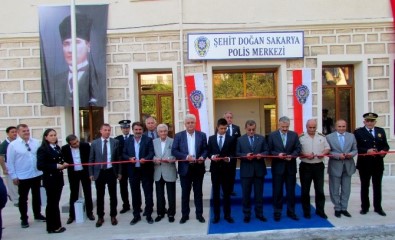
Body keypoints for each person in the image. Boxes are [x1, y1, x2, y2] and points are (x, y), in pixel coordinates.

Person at [51, 13, 105, 107]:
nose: (71, 50)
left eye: (77, 42)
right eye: (66, 44)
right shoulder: (56, 81)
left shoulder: (98, 78)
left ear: (88, 46)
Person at [6, 124, 46, 228]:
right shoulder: (13, 145)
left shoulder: (36, 142)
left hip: (36, 174)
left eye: (27, 130)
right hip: (23, 176)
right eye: (24, 131)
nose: (26, 132)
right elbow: (10, 162)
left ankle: (37, 214)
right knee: (23, 198)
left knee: (37, 196)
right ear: (18, 133)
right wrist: (14, 176)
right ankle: (24, 218)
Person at [172, 114, 208, 224]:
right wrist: (186, 157)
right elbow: (174, 151)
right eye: (188, 123)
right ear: (185, 124)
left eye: (192, 122)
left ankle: (199, 214)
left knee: (198, 193)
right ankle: (185, 215)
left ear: (195, 123)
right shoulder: (178, 136)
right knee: (185, 193)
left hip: (198, 168)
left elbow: (205, 149)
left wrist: (202, 156)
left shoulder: (202, 135)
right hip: (185, 169)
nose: (190, 124)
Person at [354, 112, 389, 216]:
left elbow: (386, 146)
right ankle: (364, 207)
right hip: (364, 164)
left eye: (372, 121)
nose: (370, 123)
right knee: (365, 186)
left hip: (378, 163)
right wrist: (366, 150)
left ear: (375, 122)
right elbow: (356, 147)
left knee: (377, 186)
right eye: (368, 121)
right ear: (364, 121)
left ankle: (378, 207)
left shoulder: (380, 131)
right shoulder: (358, 132)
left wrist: (384, 151)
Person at [268, 116, 301, 222]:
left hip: (290, 168)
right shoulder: (272, 135)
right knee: (277, 191)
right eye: (283, 127)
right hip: (278, 168)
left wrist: (292, 155)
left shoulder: (294, 135)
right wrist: (278, 154)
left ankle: (291, 212)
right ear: (279, 125)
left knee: (291, 191)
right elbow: (268, 150)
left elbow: (298, 148)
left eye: (287, 126)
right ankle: (277, 212)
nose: (285, 129)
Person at [236, 119, 269, 223]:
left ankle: (259, 214)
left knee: (259, 194)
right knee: (246, 194)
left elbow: (267, 151)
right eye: (249, 129)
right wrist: (245, 156)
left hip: (259, 170)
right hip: (246, 171)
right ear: (245, 128)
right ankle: (247, 214)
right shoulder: (240, 140)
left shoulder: (261, 138)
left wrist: (262, 155)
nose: (251, 131)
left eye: (253, 129)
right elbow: (237, 153)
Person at [89, 124, 121, 227]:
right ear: (101, 131)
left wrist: (119, 172)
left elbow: (118, 159)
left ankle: (113, 215)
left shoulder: (115, 142)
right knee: (100, 195)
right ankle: (100, 217)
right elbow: (91, 159)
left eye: (109, 130)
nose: (107, 132)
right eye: (105, 130)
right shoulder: (94, 143)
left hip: (111, 171)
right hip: (99, 172)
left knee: (113, 195)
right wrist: (91, 173)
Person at [37, 129, 68, 234]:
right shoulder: (43, 149)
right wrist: (56, 166)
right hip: (50, 179)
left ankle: (57, 225)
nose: (53, 137)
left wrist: (63, 164)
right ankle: (52, 227)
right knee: (52, 204)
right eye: (51, 135)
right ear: (46, 137)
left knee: (55, 203)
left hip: (58, 179)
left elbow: (60, 160)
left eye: (55, 135)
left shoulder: (57, 147)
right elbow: (40, 165)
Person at [123, 122, 155, 225]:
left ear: (142, 130)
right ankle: (136, 215)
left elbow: (151, 153)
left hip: (146, 170)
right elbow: (123, 153)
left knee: (148, 194)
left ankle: (149, 215)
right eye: (136, 129)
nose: (138, 131)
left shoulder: (148, 140)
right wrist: (129, 158)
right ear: (133, 130)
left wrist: (145, 159)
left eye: (140, 129)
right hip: (133, 171)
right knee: (135, 194)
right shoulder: (127, 141)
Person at [299, 119, 330, 219]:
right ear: (306, 127)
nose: (312, 129)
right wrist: (305, 155)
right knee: (305, 190)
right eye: (310, 127)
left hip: (318, 166)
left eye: (314, 127)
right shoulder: (301, 138)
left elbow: (327, 148)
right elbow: (297, 151)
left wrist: (323, 153)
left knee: (320, 190)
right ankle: (306, 211)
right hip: (306, 166)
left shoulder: (322, 137)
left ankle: (320, 210)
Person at [326, 119, 357, 218]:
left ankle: (344, 208)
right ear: (335, 127)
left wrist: (350, 154)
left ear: (346, 127)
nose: (341, 128)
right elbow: (327, 152)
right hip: (335, 166)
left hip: (348, 166)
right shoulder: (329, 137)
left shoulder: (351, 136)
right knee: (334, 189)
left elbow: (355, 149)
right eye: (339, 126)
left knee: (346, 189)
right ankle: (337, 208)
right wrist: (338, 155)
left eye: (343, 126)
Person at [208, 118, 236, 224]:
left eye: (225, 128)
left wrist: (228, 158)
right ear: (217, 127)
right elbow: (208, 152)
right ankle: (216, 216)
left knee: (226, 193)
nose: (223, 130)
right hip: (215, 170)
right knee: (215, 193)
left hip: (227, 170)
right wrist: (212, 156)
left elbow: (234, 153)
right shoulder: (211, 139)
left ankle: (227, 215)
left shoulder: (231, 139)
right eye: (221, 128)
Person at [61, 134, 95, 224]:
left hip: (84, 172)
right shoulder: (64, 149)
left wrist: (91, 172)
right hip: (73, 173)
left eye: (77, 141)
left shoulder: (85, 145)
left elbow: (91, 159)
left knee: (88, 192)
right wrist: (63, 164)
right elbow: (61, 160)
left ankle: (89, 213)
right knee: (74, 194)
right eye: (74, 143)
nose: (77, 144)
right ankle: (72, 215)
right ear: (70, 144)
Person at [153, 124, 177, 223]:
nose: (163, 133)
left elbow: (176, 154)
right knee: (159, 195)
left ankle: (171, 214)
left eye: (165, 131)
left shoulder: (173, 141)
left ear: (167, 132)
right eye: (161, 131)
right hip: (158, 171)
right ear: (158, 133)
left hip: (169, 170)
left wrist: (170, 159)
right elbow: (151, 154)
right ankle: (160, 213)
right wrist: (155, 159)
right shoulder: (154, 142)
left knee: (171, 194)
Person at [114, 120, 132, 214]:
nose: (126, 129)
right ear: (121, 129)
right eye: (124, 128)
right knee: (123, 187)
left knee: (134, 187)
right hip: (122, 167)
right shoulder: (117, 139)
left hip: (132, 166)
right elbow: (116, 155)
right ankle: (126, 205)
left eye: (127, 127)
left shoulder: (134, 137)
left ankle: (137, 205)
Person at [0, 126, 19, 207]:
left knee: (18, 183)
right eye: (12, 132)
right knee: (11, 183)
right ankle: (15, 200)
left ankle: (17, 197)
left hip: (18, 165)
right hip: (9, 165)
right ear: (8, 133)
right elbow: (1, 157)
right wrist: (4, 168)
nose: (14, 133)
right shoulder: (4, 144)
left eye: (15, 132)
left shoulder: (18, 142)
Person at [224, 111, 241, 196]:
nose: (229, 119)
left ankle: (231, 190)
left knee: (232, 173)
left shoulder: (236, 128)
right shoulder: (221, 127)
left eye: (231, 117)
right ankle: (224, 191)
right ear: (225, 118)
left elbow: (239, 141)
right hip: (223, 155)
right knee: (224, 173)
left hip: (233, 155)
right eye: (228, 117)